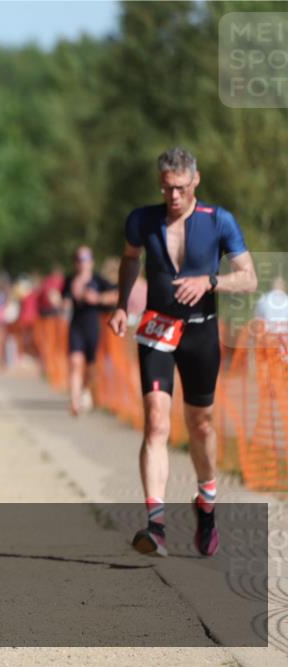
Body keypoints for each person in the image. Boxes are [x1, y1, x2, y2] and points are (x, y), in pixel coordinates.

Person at [109, 147, 257, 558]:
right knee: (156, 421)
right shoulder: (142, 219)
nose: (172, 197)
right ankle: (155, 525)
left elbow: (248, 278)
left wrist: (210, 282)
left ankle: (207, 503)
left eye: (179, 188)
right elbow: (129, 259)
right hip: (157, 329)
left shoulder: (219, 221)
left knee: (201, 424)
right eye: (166, 188)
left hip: (200, 333)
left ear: (195, 182)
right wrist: (122, 305)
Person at [63, 246, 118, 416]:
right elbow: (63, 300)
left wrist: (98, 298)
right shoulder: (70, 280)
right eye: (79, 259)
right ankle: (74, 400)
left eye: (86, 258)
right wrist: (61, 301)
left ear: (91, 262)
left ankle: (86, 390)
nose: (82, 263)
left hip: (94, 325)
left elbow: (116, 294)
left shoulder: (98, 280)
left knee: (91, 365)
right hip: (76, 325)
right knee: (75, 362)